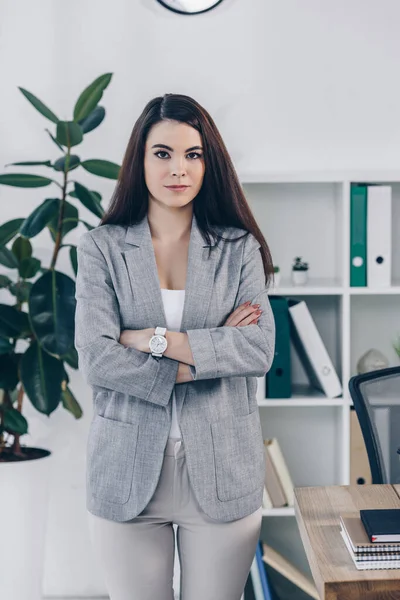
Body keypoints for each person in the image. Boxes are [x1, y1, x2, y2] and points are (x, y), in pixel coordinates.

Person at [74, 93, 276, 600]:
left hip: (223, 470)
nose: (178, 168)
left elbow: (258, 350)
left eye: (193, 154)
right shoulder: (102, 247)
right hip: (125, 471)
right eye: (162, 153)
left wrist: (149, 340)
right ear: (139, 161)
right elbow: (97, 359)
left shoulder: (238, 248)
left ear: (210, 163)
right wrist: (210, 351)